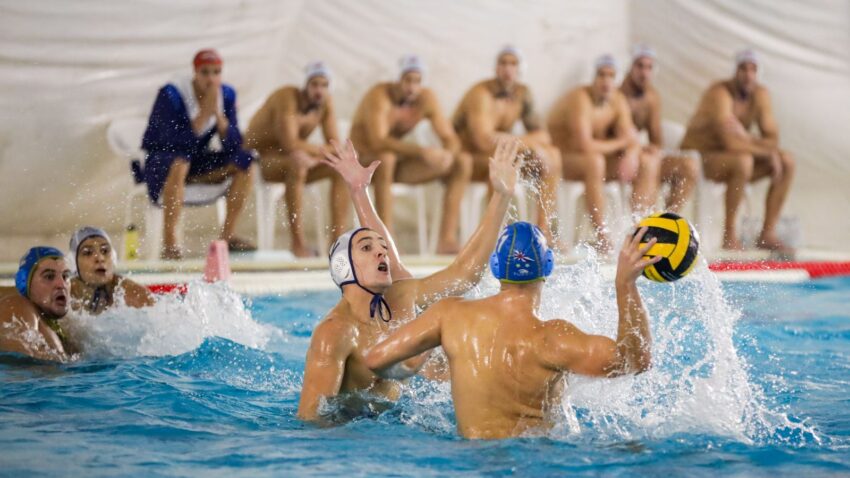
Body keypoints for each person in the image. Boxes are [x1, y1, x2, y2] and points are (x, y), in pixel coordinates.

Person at [364, 222, 660, 439]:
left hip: (469, 459)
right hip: (533, 461)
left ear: (495, 266)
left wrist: (408, 370)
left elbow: (376, 360)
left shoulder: (450, 315)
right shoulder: (553, 339)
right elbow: (635, 361)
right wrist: (626, 284)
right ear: (548, 265)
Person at [296, 137, 521, 422]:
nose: (381, 252)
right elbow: (312, 418)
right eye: (367, 248)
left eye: (382, 247)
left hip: (398, 422)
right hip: (353, 440)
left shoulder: (401, 298)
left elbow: (466, 274)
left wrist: (501, 197)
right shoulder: (335, 333)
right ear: (345, 268)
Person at [348, 55, 472, 254]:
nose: (411, 87)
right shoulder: (379, 95)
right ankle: (385, 238)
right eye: (407, 80)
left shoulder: (426, 99)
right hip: (364, 163)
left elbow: (450, 137)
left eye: (417, 81)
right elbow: (377, 141)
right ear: (398, 80)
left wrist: (447, 154)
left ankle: (447, 239)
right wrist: (423, 152)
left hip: (395, 163)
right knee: (386, 158)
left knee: (462, 162)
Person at [142, 49, 256, 260]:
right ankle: (170, 245)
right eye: (205, 72)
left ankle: (225, 239)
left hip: (194, 160)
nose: (211, 79)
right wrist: (203, 114)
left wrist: (219, 118)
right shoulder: (172, 94)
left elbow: (234, 144)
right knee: (180, 162)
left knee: (245, 162)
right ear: (195, 72)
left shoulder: (227, 94)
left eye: (216, 72)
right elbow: (172, 142)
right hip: (162, 162)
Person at [681, 49, 795, 252]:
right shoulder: (720, 93)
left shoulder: (760, 95)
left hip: (735, 156)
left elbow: (773, 139)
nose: (748, 74)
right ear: (735, 71)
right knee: (743, 161)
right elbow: (729, 143)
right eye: (743, 68)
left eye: (753, 69)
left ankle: (767, 233)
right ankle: (729, 235)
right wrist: (766, 150)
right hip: (703, 158)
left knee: (787, 161)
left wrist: (747, 137)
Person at [452, 45, 562, 245]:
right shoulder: (481, 93)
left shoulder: (522, 93)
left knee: (552, 154)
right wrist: (526, 143)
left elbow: (544, 135)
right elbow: (483, 141)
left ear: (520, 69)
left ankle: (543, 231)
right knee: (497, 161)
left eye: (513, 64)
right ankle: (497, 235)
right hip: (470, 159)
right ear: (495, 68)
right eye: (503, 63)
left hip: (500, 153)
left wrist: (518, 142)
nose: (508, 69)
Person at [245, 62, 348, 256]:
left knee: (340, 168)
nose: (319, 90)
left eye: (324, 85)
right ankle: (298, 243)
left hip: (295, 160)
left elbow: (336, 147)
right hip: (261, 160)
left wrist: (315, 158)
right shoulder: (286, 97)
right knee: (298, 163)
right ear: (305, 86)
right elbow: (290, 144)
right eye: (314, 84)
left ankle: (337, 243)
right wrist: (318, 153)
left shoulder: (325, 103)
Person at [548, 54, 647, 252]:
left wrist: (632, 153)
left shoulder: (617, 100)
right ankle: (601, 234)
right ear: (594, 77)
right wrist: (622, 143)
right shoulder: (580, 99)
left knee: (646, 161)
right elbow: (584, 145)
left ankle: (642, 229)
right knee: (595, 161)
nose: (606, 81)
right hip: (562, 161)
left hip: (594, 159)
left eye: (611, 76)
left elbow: (632, 139)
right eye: (602, 75)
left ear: (617, 80)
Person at [620, 45, 698, 213]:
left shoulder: (651, 97)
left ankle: (669, 219)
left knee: (689, 166)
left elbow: (657, 141)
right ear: (630, 67)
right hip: (621, 158)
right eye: (640, 66)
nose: (644, 72)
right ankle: (642, 225)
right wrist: (638, 150)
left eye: (649, 67)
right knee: (649, 162)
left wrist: (652, 149)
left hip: (640, 155)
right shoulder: (617, 96)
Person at [0, 247, 76, 361]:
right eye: (49, 276)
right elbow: (19, 369)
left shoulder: (57, 327)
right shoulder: (17, 306)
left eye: (65, 276)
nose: (61, 284)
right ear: (26, 284)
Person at [68, 227, 155, 315]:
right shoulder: (65, 295)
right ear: (74, 263)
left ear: (113, 257)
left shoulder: (137, 295)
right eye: (88, 252)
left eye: (105, 250)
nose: (100, 258)